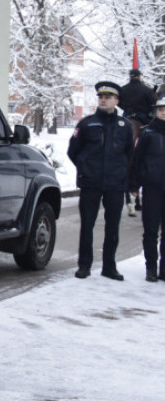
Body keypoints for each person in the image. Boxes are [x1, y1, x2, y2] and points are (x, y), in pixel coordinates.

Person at [67, 80, 133, 281]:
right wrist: (86, 168)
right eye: (101, 97)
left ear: (116, 101)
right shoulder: (87, 123)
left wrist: (122, 174)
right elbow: (73, 151)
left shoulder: (125, 126)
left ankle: (109, 267)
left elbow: (129, 153)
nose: (103, 100)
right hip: (91, 183)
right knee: (87, 224)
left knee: (112, 226)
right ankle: (84, 265)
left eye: (108, 97)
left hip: (115, 184)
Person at [129, 97, 165, 282]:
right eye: (161, 109)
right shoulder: (147, 133)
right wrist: (134, 184)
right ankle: (151, 266)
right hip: (152, 188)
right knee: (150, 230)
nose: (164, 112)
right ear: (156, 112)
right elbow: (136, 160)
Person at [119, 68, 155, 216]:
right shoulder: (146, 89)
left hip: (126, 116)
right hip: (142, 119)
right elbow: (153, 104)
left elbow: (119, 103)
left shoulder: (123, 89)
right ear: (140, 77)